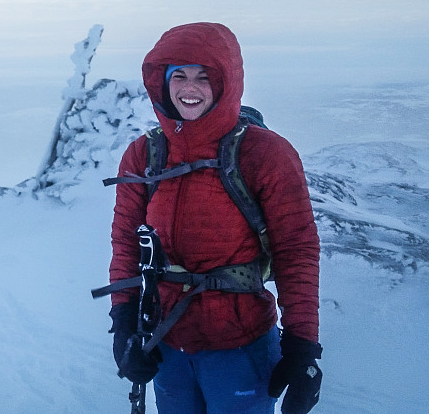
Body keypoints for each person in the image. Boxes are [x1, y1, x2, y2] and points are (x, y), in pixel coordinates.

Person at [107, 23, 321, 413]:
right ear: (163, 82)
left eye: (204, 77)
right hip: (168, 346)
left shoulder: (265, 153)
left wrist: (301, 347)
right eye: (180, 76)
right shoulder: (144, 154)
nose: (190, 88)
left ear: (227, 81)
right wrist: (124, 324)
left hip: (241, 347)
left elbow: (297, 250)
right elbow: (126, 241)